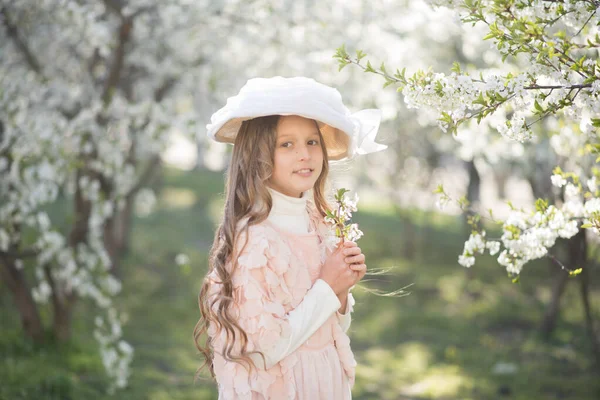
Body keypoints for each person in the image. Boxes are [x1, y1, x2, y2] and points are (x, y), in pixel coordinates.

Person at [193, 76, 387, 399]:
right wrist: (327, 286)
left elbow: (332, 329)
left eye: (312, 142)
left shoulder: (317, 223)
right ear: (258, 155)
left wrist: (341, 292)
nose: (305, 155)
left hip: (324, 384)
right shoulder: (254, 240)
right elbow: (264, 347)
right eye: (287, 144)